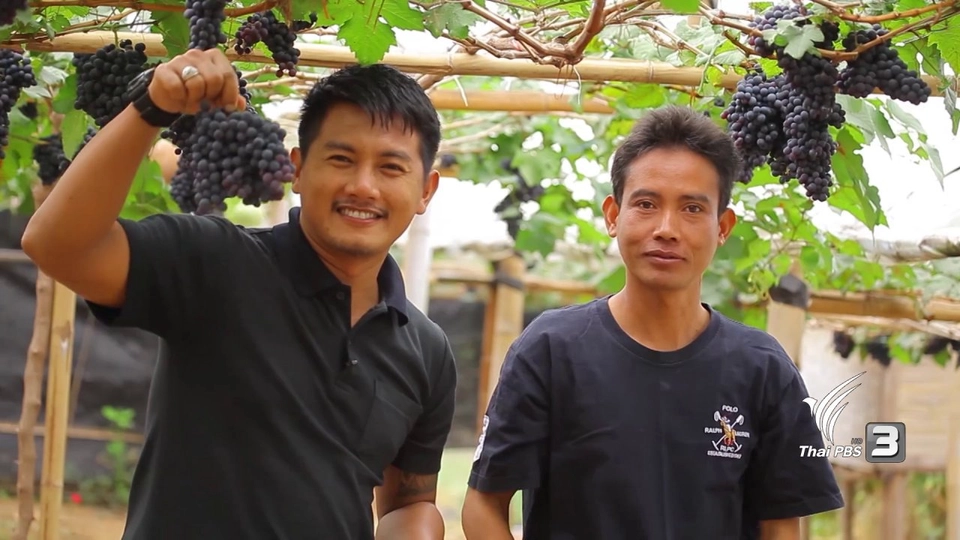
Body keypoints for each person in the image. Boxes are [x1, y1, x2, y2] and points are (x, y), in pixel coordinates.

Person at [22, 48, 457, 540]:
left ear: (426, 190)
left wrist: (419, 526)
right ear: (297, 169)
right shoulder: (215, 262)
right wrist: (152, 107)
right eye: (341, 159)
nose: (363, 186)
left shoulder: (428, 351)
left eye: (391, 168)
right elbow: (57, 246)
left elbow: (408, 502)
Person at [461, 106, 844, 539]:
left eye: (692, 208)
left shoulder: (762, 367)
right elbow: (483, 505)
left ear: (722, 227)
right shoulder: (551, 349)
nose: (666, 228)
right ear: (613, 215)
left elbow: (782, 526)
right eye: (646, 204)